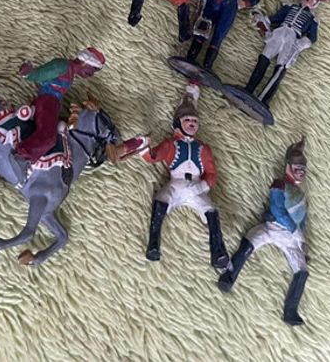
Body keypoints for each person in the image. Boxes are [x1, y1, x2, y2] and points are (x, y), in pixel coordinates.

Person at [108, 83, 229, 270]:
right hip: (176, 185)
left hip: (197, 188)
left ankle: (218, 251)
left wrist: (202, 186)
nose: (192, 123)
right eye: (187, 119)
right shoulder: (171, 145)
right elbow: (153, 157)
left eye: (194, 120)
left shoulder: (203, 148)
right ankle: (153, 244)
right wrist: (143, 149)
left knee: (211, 211)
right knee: (161, 200)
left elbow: (212, 174)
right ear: (178, 122)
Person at [219, 138, 310, 326]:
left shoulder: (301, 195)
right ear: (288, 166)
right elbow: (278, 210)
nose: (301, 171)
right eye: (297, 167)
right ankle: (228, 277)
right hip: (272, 227)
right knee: (248, 245)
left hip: (289, 238)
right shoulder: (279, 185)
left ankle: (291, 310)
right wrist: (295, 230)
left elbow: (301, 219)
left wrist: (302, 242)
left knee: (302, 270)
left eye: (303, 168)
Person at [15, 47, 106, 163]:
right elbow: (41, 74)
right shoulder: (62, 66)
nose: (91, 74)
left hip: (53, 104)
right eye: (92, 69)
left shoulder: (69, 71)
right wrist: (30, 73)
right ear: (85, 62)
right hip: (47, 101)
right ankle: (22, 156)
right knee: (49, 137)